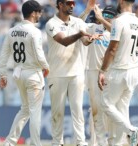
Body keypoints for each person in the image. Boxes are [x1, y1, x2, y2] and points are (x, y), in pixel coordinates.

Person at [45, 0, 101, 145]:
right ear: (60, 5)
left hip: (76, 72)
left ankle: (80, 142)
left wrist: (89, 39)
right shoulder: (51, 23)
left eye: (73, 4)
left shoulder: (78, 22)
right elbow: (63, 41)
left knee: (78, 111)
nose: (72, 6)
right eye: (68, 3)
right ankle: (57, 142)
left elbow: (84, 40)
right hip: (57, 74)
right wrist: (80, 34)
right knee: (57, 112)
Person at [0, 1, 49, 146]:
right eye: (38, 12)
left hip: (18, 74)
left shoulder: (11, 31)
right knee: (34, 112)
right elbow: (39, 55)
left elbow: (3, 55)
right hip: (33, 74)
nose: (40, 14)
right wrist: (47, 67)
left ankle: (9, 142)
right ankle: (35, 143)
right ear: (33, 13)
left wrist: (3, 74)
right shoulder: (35, 31)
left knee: (25, 109)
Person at [97, 0, 138, 145]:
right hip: (134, 70)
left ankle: (132, 131)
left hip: (120, 71)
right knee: (122, 109)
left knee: (105, 104)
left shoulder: (119, 21)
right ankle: (119, 143)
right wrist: (101, 20)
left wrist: (102, 70)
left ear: (122, 1)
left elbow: (112, 49)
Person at [80, 2, 119, 146]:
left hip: (109, 73)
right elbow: (78, 27)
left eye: (110, 15)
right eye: (105, 15)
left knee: (110, 108)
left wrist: (102, 18)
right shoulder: (92, 28)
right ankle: (97, 142)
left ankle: (114, 141)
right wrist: (88, 11)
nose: (107, 18)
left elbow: (116, 33)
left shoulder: (115, 33)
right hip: (92, 72)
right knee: (95, 110)